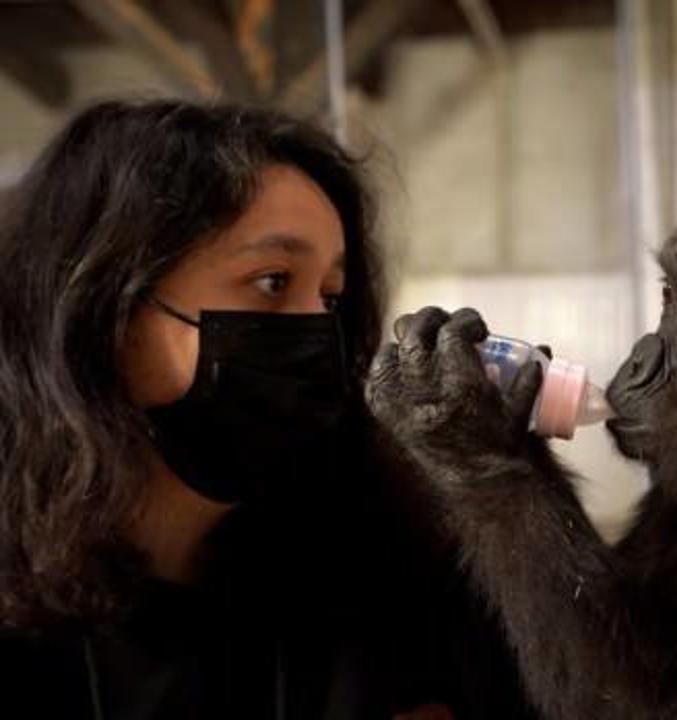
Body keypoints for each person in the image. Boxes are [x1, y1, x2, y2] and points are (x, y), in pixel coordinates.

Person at [0, 100, 536, 719]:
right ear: (106, 312)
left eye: (331, 297)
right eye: (273, 281)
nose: (316, 332)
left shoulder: (383, 572)